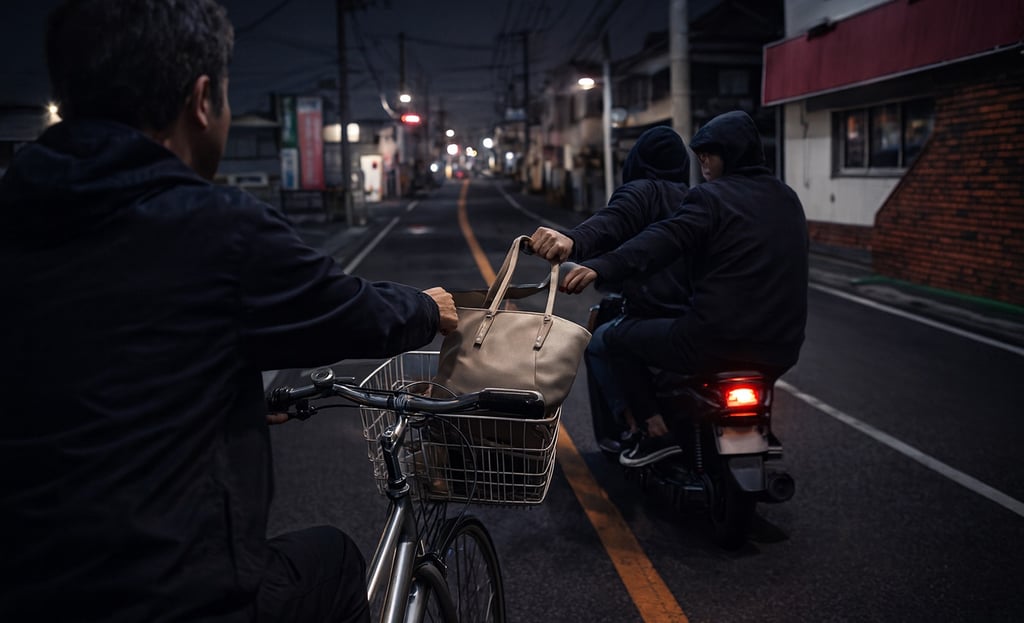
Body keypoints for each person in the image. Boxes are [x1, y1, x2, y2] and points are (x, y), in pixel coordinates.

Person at [0, 1, 457, 621]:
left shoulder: (20, 213)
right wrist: (426, 310)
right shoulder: (218, 231)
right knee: (336, 561)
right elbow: (346, 309)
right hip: (174, 595)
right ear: (202, 99)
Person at [558, 110, 809, 467]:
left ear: (733, 153)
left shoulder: (710, 198)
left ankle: (651, 429)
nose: (703, 161)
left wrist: (598, 265)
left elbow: (660, 240)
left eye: (710, 152)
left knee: (614, 340)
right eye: (699, 154)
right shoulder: (787, 198)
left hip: (713, 342)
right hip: (783, 348)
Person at [529, 126, 692, 453]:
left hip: (655, 315)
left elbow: (612, 222)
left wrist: (573, 241)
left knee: (601, 342)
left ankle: (641, 422)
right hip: (699, 317)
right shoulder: (697, 199)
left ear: (637, 162)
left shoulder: (643, 192)